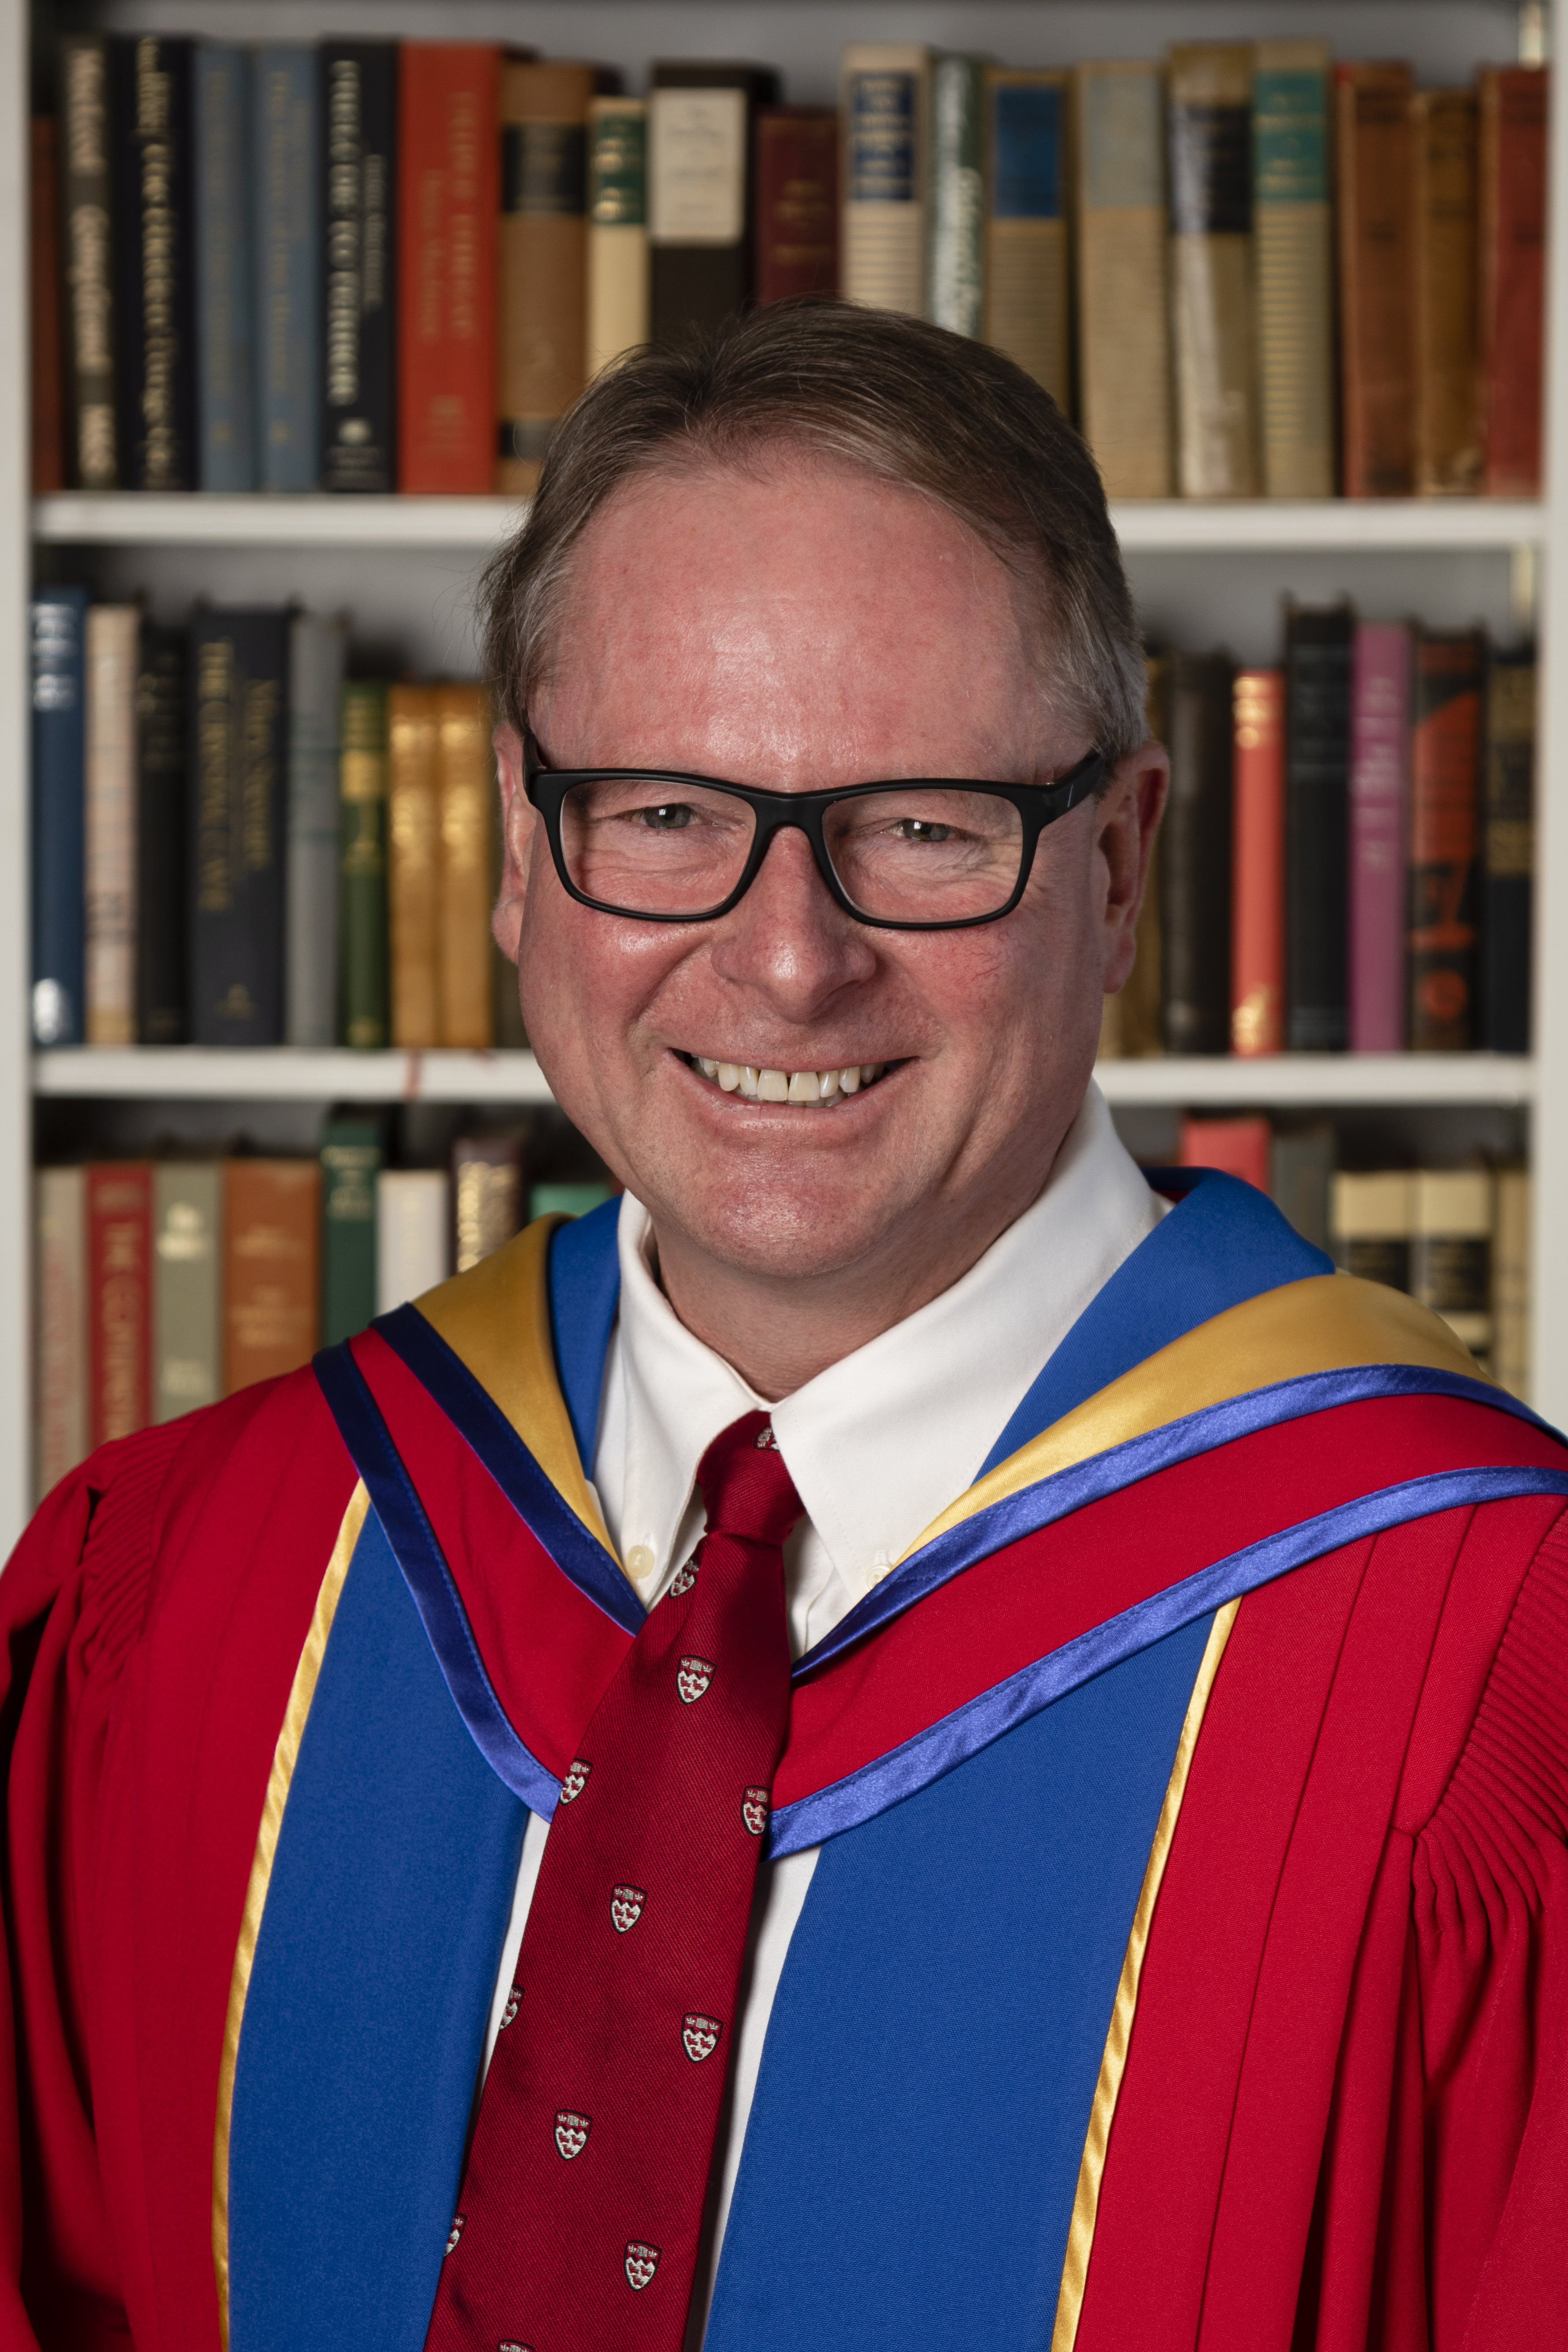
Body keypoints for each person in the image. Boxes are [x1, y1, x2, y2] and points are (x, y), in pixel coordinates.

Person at [4, 304, 1565, 2352]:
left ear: (1117, 860)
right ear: (515, 850)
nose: (786, 955)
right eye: (662, 810)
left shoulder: (1484, 1657)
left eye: (922, 823)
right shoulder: (189, 1585)